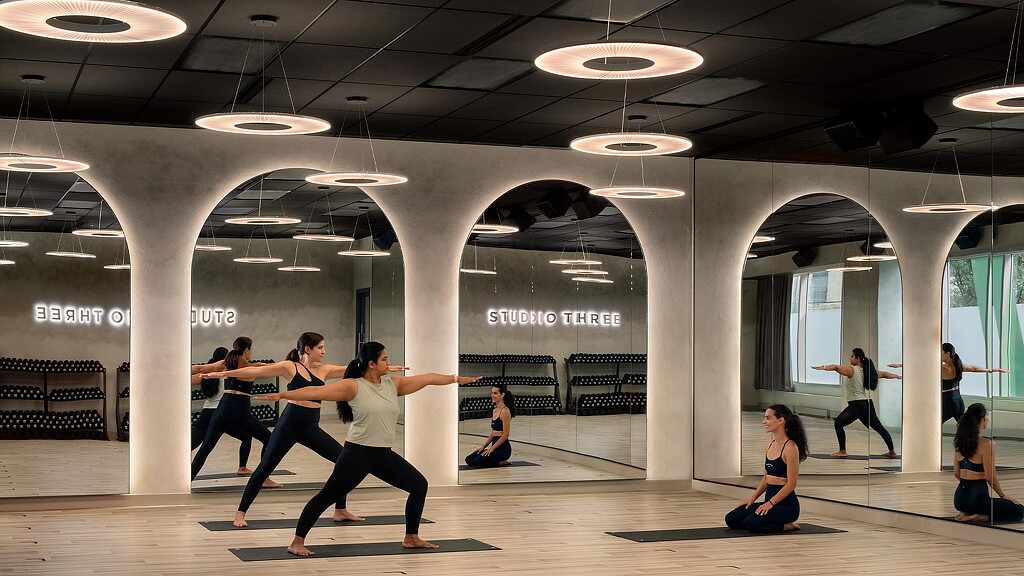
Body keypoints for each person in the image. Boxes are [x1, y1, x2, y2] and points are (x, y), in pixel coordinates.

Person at [253, 341, 480, 555]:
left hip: (382, 454)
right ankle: (297, 542)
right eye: (385, 360)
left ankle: (411, 537)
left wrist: (455, 378)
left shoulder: (393, 385)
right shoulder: (353, 386)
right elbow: (314, 392)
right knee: (327, 496)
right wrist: (283, 395)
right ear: (371, 364)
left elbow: (428, 378)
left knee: (419, 485)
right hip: (357, 454)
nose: (388, 364)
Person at [203, 332, 384, 527]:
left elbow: (354, 369)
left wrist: (384, 368)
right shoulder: (291, 367)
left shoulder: (324, 370)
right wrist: (224, 373)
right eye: (320, 347)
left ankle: (340, 509)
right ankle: (240, 512)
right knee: (265, 467)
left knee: (344, 461)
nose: (324, 351)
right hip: (289, 425)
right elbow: (256, 371)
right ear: (307, 349)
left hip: (310, 427)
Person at [189, 337, 279, 487]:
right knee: (269, 439)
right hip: (240, 413)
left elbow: (199, 369)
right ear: (246, 350)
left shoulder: (226, 364)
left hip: (223, 410)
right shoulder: (250, 367)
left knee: (205, 448)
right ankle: (263, 478)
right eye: (251, 349)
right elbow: (275, 367)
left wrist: (175, 371)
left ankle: (186, 482)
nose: (252, 352)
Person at [725, 404, 808, 533]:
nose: (764, 422)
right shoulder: (769, 445)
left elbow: (791, 484)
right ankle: (768, 519)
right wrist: (752, 499)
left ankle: (786, 526)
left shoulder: (790, 448)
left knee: (750, 524)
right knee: (731, 519)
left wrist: (770, 504)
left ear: (781, 420)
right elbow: (766, 478)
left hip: (786, 507)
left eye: (768, 418)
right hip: (769, 502)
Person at [888, 342, 1009, 425]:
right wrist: (993, 370)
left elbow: (922, 368)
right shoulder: (958, 365)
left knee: (932, 427)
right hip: (958, 401)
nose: (938, 355)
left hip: (948, 403)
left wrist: (901, 366)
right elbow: (974, 369)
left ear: (946, 354)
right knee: (965, 430)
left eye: (940, 352)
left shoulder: (944, 369)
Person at [812, 347, 901, 458]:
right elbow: (883, 374)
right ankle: (892, 451)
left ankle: (842, 451)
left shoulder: (852, 369)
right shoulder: (866, 371)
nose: (850, 358)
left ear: (858, 359)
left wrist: (823, 367)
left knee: (838, 423)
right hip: (867, 404)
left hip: (857, 405)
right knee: (879, 428)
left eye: (852, 356)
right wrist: (897, 376)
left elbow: (836, 367)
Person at [953, 403, 1024, 523]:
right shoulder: (987, 444)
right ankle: (979, 516)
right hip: (977, 499)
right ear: (983, 420)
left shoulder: (959, 442)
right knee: (1020, 511)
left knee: (984, 504)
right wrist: (1003, 495)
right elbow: (990, 477)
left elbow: (956, 473)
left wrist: (970, 481)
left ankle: (966, 511)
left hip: (959, 499)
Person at [190, 347, 254, 475]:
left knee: (193, 444)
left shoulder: (208, 374)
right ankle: (242, 467)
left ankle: (171, 464)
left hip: (207, 412)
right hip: (223, 413)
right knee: (246, 436)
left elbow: (190, 380)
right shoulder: (229, 373)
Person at [465, 385, 515, 468]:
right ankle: (494, 459)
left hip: (503, 450)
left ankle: (501, 462)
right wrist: (483, 447)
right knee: (469, 460)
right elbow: (493, 433)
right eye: (492, 393)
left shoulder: (505, 411)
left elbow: (505, 434)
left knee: (478, 462)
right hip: (494, 446)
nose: (492, 395)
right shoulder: (495, 411)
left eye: (495, 393)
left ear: (502, 395)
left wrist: (492, 449)